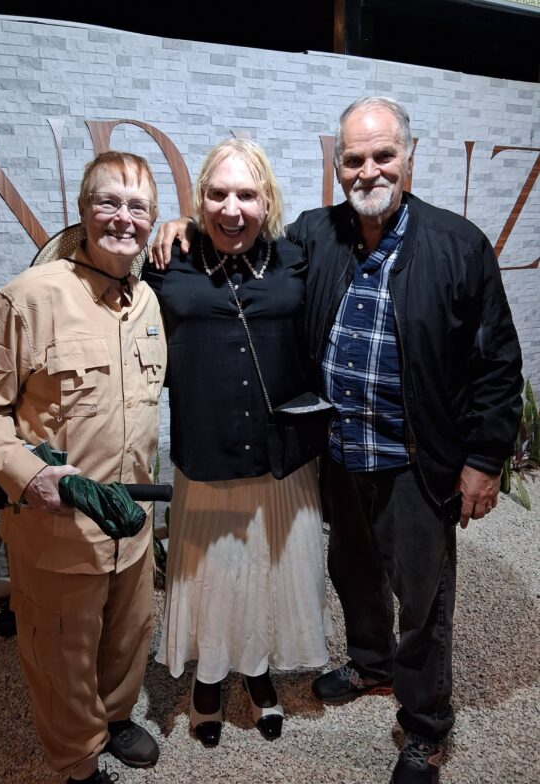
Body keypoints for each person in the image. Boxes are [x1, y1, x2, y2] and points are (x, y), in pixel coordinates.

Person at [151, 98, 523, 784]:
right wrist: (183, 226)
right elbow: (239, 235)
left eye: (383, 155)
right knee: (353, 573)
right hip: (340, 453)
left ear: (409, 158)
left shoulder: (458, 245)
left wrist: (483, 458)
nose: (368, 170)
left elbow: (497, 363)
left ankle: (425, 726)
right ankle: (372, 665)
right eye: (354, 158)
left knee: (423, 597)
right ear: (337, 165)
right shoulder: (315, 236)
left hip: (417, 459)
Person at [0, 152, 167, 784]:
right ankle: (78, 758)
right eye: (108, 202)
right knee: (61, 655)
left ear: (152, 219)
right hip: (59, 531)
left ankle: (115, 716)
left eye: (137, 207)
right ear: (82, 209)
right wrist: (30, 475)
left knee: (127, 636)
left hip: (130, 523)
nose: (122, 218)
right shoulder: (28, 298)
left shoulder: (148, 302)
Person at [143, 138, 330, 747]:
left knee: (269, 572)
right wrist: (170, 225)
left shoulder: (297, 258)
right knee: (213, 575)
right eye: (218, 194)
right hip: (207, 451)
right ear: (200, 200)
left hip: (281, 456)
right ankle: (208, 678)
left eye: (246, 195)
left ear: (267, 200)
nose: (232, 208)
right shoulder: (168, 260)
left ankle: (256, 669)